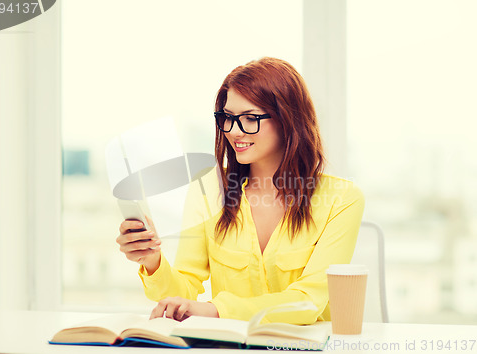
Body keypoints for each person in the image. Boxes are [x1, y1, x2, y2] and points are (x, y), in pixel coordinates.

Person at [116, 57, 364, 324]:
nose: (234, 131)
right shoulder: (209, 189)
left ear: (288, 120)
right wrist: (153, 261)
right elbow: (184, 292)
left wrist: (216, 310)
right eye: (228, 118)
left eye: (249, 118)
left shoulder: (341, 200)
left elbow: (308, 301)